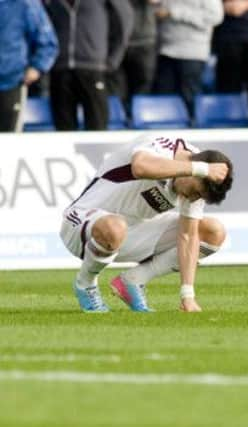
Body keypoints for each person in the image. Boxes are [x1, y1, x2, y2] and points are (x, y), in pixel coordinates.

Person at [59, 134, 234, 313]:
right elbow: (140, 167)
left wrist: (187, 296)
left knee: (213, 232)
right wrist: (199, 169)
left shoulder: (199, 176)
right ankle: (85, 284)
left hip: (130, 231)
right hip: (81, 223)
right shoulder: (162, 145)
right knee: (115, 226)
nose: (193, 198)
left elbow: (188, 236)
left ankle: (133, 280)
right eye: (195, 192)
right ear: (195, 171)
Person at [45, 0, 134, 131]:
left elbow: (125, 20)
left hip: (93, 67)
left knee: (97, 126)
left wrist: (113, 59)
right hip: (60, 69)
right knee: (63, 129)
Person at [153, 0, 224, 115]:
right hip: (165, 50)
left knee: (190, 100)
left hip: (192, 52)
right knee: (163, 101)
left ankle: (193, 128)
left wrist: (174, 13)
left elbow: (215, 17)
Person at [0, 0, 58, 132]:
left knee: (8, 145)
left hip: (10, 84)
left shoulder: (25, 4)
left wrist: (37, 68)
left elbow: (48, 44)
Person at [107, 0, 159, 115]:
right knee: (117, 89)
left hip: (144, 42)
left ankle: (138, 118)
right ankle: (121, 119)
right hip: (116, 41)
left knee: (143, 86)